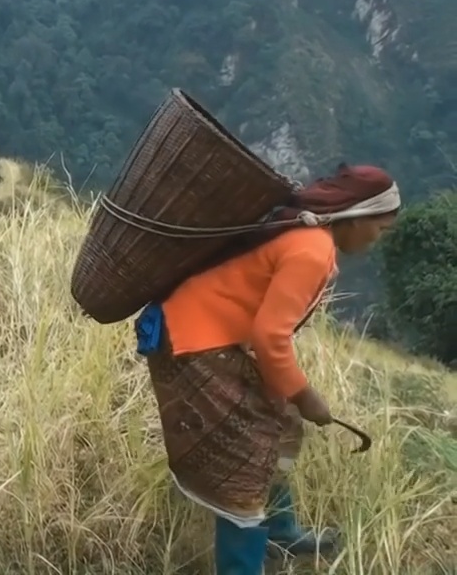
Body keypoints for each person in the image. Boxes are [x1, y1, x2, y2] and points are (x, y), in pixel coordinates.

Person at [135, 164, 400, 574]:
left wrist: (288, 398)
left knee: (281, 423)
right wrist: (305, 395)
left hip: (207, 333)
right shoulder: (312, 250)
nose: (378, 239)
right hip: (192, 340)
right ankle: (243, 566)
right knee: (246, 457)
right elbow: (270, 338)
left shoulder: (307, 236)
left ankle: (279, 532)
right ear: (357, 216)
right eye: (381, 229)